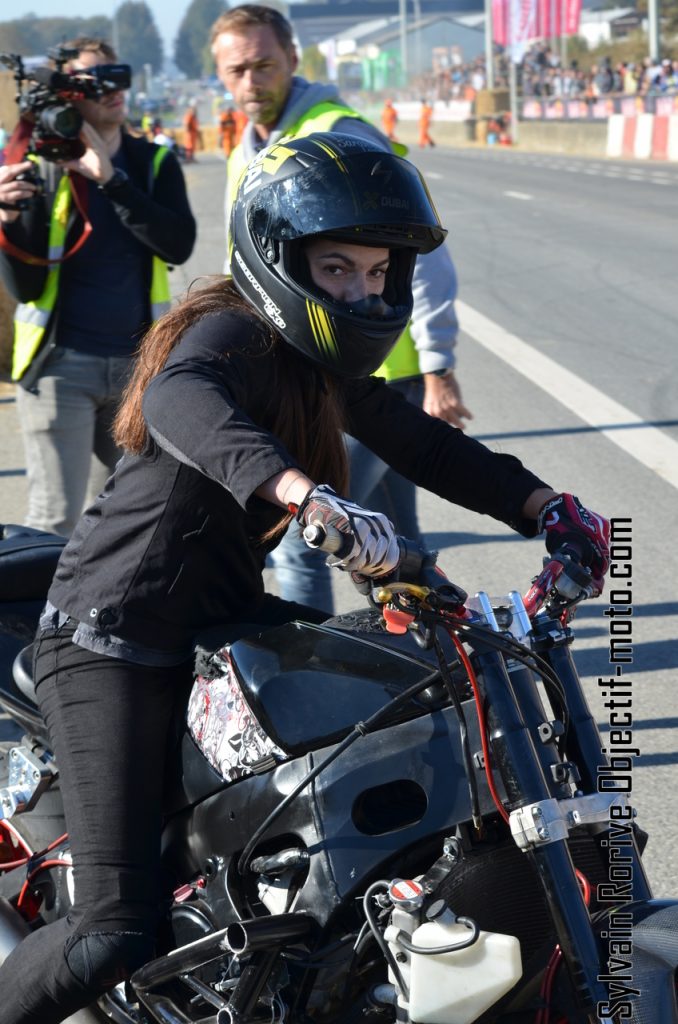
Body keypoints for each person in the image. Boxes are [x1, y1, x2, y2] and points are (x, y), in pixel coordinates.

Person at [0, 132, 610, 1024]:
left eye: (375, 272)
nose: (361, 291)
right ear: (280, 261)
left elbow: (428, 444)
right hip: (112, 636)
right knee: (112, 926)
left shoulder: (325, 365)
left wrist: (548, 508)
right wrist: (305, 496)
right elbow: (178, 400)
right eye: (336, 269)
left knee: (405, 703)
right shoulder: (229, 334)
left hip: (222, 618)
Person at [211, 3, 472, 611]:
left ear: (294, 60)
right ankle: (431, 683)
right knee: (396, 544)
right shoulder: (249, 147)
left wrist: (437, 363)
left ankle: (312, 692)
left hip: (371, 380)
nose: (251, 81)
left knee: (305, 534)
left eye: (264, 64)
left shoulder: (338, 132)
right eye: (236, 70)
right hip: (321, 373)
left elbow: (416, 251)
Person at [0, 37, 196, 538]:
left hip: (139, 370)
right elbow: (26, 286)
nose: (113, 89)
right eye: (95, 80)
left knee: (131, 520)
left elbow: (177, 245)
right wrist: (5, 223)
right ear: (67, 95)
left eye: (118, 75)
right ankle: (33, 619)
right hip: (59, 368)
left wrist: (113, 181)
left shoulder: (154, 163)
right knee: (54, 519)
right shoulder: (40, 167)